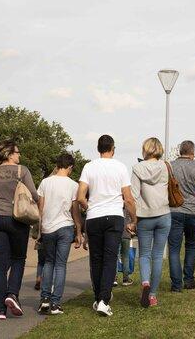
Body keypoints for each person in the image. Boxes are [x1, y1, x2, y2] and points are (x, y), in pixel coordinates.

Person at [0, 139, 39, 320]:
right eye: (17, 152)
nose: (19, 155)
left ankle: (0, 311)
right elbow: (34, 195)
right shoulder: (22, 170)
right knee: (18, 258)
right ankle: (12, 295)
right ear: (10, 154)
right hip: (17, 219)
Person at [77, 135, 137, 317]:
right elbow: (128, 198)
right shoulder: (120, 167)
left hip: (94, 217)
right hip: (114, 216)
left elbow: (80, 196)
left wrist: (91, 207)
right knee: (110, 258)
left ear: (98, 149)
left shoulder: (89, 166)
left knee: (96, 258)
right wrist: (133, 220)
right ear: (113, 148)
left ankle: (98, 298)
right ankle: (104, 299)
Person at [37, 153, 83, 315]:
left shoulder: (45, 182)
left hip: (48, 228)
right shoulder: (73, 185)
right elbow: (75, 211)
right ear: (70, 167)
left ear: (57, 165)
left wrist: (39, 230)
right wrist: (79, 231)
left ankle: (44, 300)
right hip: (65, 227)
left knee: (48, 263)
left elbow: (40, 209)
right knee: (61, 265)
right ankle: (56, 303)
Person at [131, 137, 171, 307]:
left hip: (144, 217)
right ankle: (153, 295)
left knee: (145, 254)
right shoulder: (165, 166)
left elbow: (132, 196)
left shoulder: (137, 168)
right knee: (157, 256)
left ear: (145, 149)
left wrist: (132, 220)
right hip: (163, 215)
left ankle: (145, 282)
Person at [168, 141, 195, 292]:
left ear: (179, 151)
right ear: (193, 153)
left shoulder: (170, 166)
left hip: (174, 211)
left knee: (174, 249)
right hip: (194, 212)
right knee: (191, 245)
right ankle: (189, 280)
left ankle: (176, 285)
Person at [114, 207, 134, 287]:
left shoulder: (115, 207)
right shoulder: (129, 208)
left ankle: (114, 279)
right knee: (125, 257)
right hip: (126, 235)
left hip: (116, 234)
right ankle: (125, 279)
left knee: (115, 256)